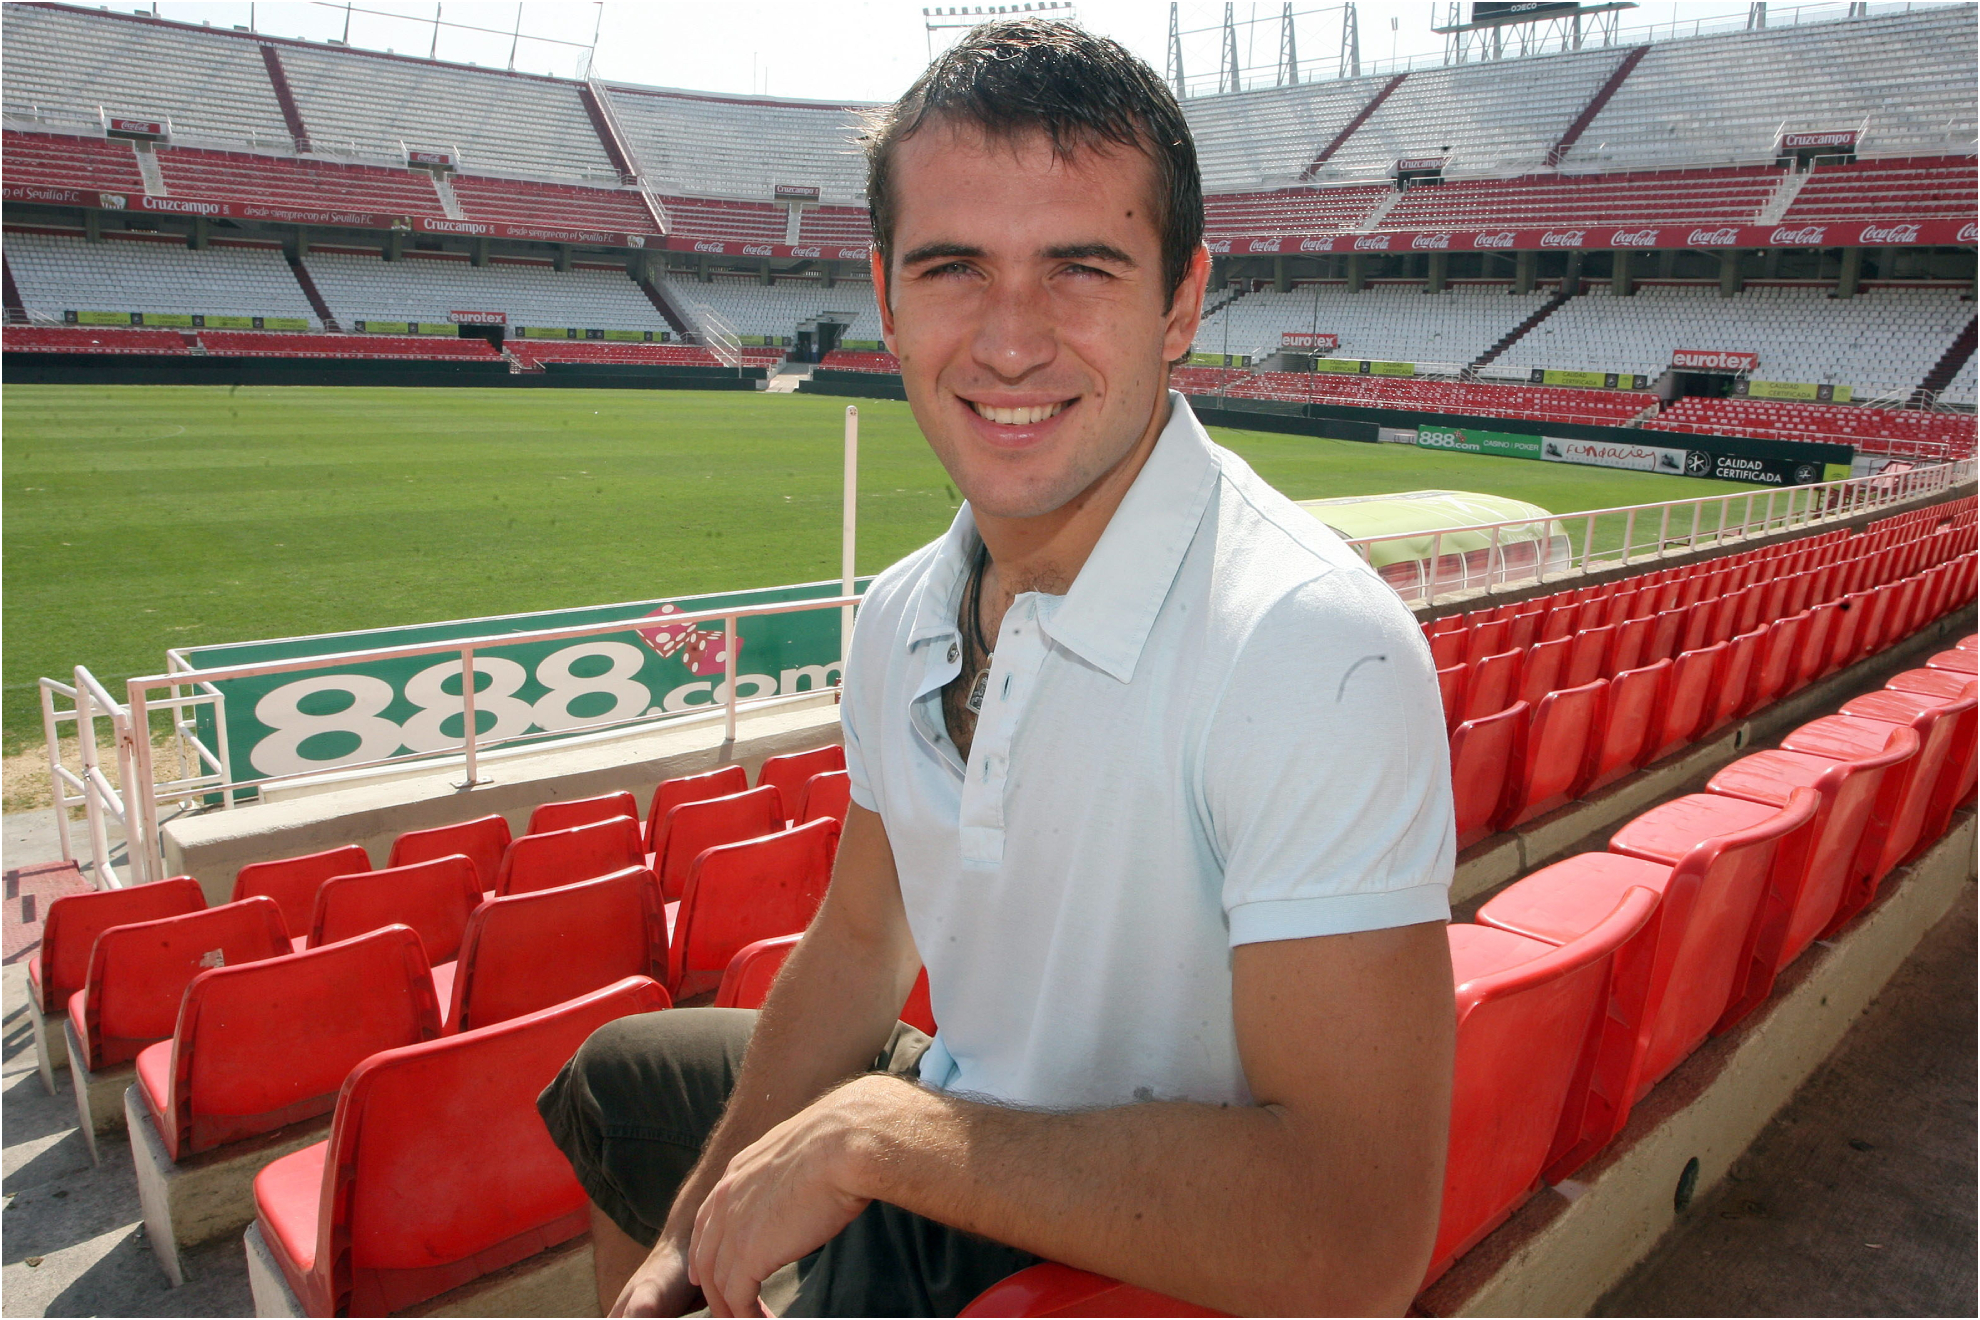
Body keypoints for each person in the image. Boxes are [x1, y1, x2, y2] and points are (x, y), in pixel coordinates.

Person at [538, 20, 1457, 1317]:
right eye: (955, 268)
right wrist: (682, 1252)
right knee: (618, 1078)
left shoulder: (1311, 649)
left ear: (1180, 300)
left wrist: (878, 1138)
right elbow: (860, 944)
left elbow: (1353, 1242)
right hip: (960, 1093)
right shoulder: (905, 608)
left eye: (1080, 268)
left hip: (1093, 1239)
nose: (1010, 340)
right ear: (888, 295)